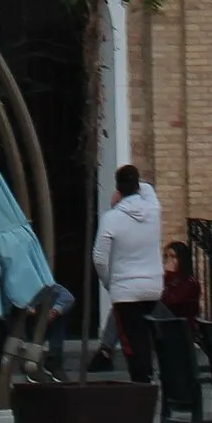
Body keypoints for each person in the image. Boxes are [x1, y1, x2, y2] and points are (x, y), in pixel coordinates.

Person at [91, 162, 163, 383]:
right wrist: (129, 187)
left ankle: (141, 381)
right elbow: (148, 188)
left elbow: (99, 258)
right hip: (153, 285)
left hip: (125, 289)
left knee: (132, 339)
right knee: (145, 334)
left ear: (118, 189)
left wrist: (108, 282)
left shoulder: (111, 218)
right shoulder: (153, 209)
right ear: (136, 184)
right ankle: (148, 375)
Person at [160, 239, 202, 325]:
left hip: (181, 325)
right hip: (165, 323)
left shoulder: (190, 283)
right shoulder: (165, 278)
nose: (168, 260)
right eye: (166, 256)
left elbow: (170, 301)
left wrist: (169, 274)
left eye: (172, 256)